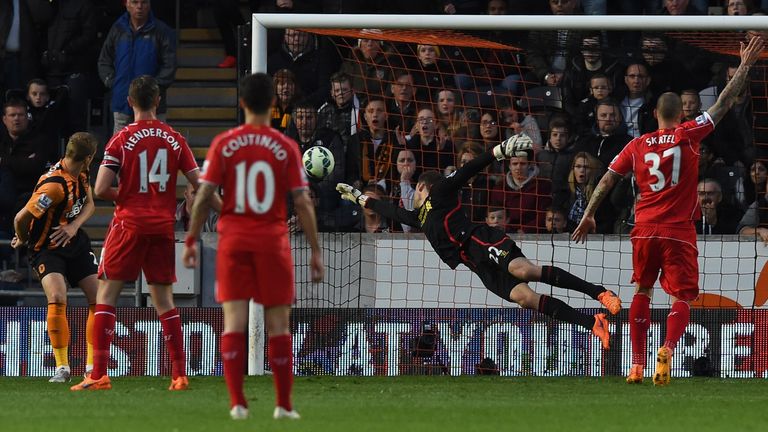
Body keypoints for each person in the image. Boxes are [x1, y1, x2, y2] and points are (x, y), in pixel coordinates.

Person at [573, 36, 765, 386]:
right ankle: (668, 347)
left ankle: (635, 365)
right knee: (681, 297)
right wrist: (746, 65)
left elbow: (607, 179)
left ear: (656, 114)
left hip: (644, 229)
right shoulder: (689, 135)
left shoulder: (636, 144)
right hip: (678, 231)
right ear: (680, 114)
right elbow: (723, 103)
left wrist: (589, 212)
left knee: (642, 292)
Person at [337, 133, 621, 349]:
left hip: (480, 240)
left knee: (524, 270)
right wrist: (359, 196)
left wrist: (499, 151)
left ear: (423, 186)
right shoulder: (419, 217)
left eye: (417, 189)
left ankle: (598, 292)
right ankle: (591, 322)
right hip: (475, 263)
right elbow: (389, 210)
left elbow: (469, 169)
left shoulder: (440, 192)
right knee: (526, 298)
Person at [181, 72, 324, 421]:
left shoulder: (224, 143)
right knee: (279, 324)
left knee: (233, 322)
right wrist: (315, 250)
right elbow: (303, 203)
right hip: (272, 241)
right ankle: (284, 405)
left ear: (242, 103)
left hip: (234, 240)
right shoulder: (286, 146)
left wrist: (190, 238)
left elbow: (203, 196)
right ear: (274, 104)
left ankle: (237, 404)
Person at [70, 76, 203, 391]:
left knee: (106, 295)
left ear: (129, 102)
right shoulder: (175, 138)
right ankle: (179, 375)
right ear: (158, 101)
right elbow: (200, 184)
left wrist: (130, 194)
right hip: (161, 225)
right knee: (165, 301)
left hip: (129, 224)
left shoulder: (120, 139)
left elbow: (101, 188)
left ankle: (99, 374)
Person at [12, 132, 99, 382]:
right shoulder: (54, 186)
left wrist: (73, 226)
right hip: (47, 248)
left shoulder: (81, 173)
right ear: (89, 157)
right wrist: (24, 238)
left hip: (75, 243)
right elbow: (21, 218)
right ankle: (62, 367)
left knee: (99, 297)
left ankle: (93, 366)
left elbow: (90, 204)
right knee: (58, 296)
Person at [98, 0, 176, 134]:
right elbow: (104, 60)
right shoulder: (118, 29)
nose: (139, 7)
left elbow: (169, 65)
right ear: (126, 4)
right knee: (121, 150)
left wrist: (153, 89)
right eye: (135, 2)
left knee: (155, 149)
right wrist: (112, 82)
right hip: (122, 102)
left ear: (150, 4)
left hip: (153, 106)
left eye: (144, 2)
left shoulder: (161, 30)